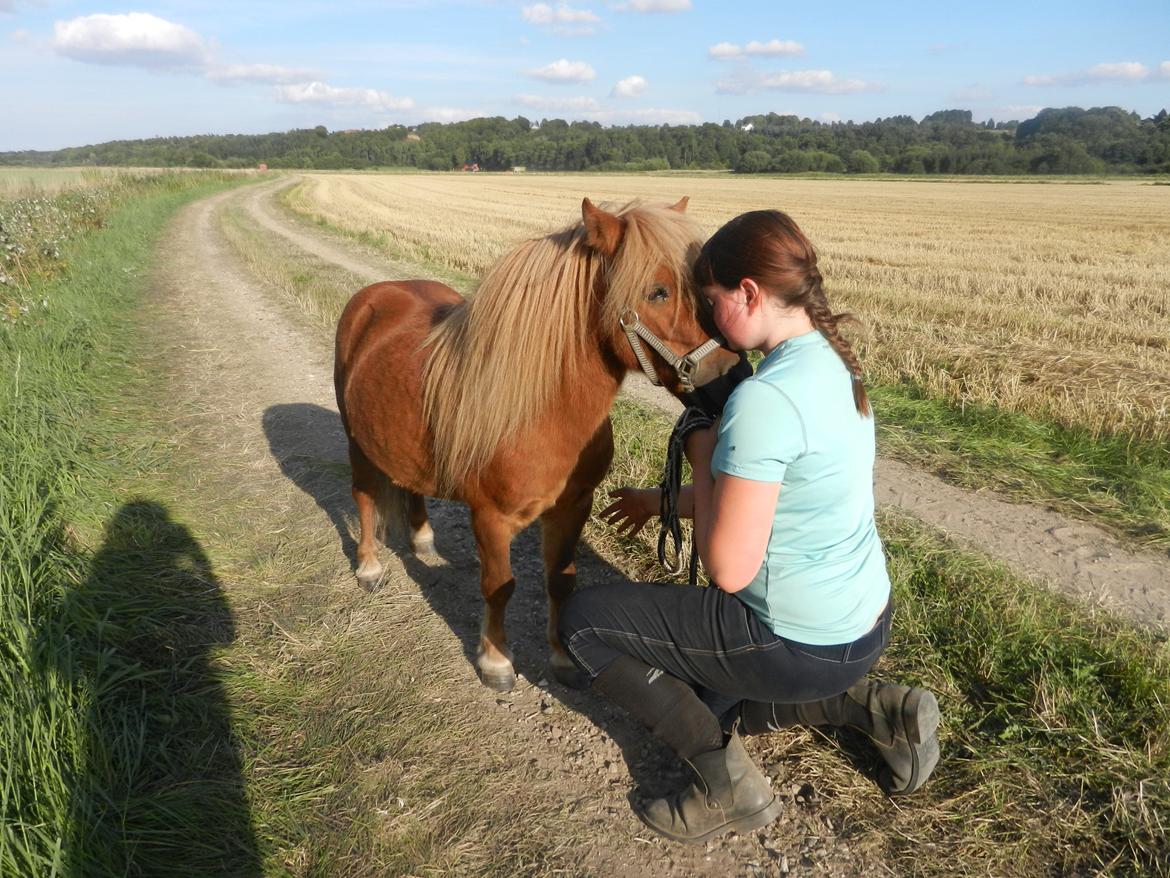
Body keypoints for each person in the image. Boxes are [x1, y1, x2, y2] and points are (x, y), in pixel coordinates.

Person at [557, 209, 940, 844]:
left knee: (583, 623)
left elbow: (729, 569)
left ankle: (726, 787)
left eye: (710, 303)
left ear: (750, 294)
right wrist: (661, 501)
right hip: (862, 623)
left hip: (795, 641)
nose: (707, 324)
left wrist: (704, 447)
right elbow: (774, 499)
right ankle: (877, 706)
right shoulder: (833, 366)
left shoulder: (762, 400)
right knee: (714, 695)